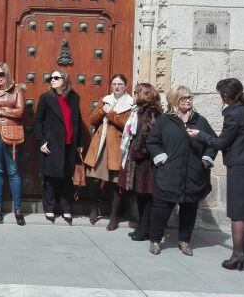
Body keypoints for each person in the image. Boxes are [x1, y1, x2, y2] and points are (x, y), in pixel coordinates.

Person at [188, 78, 244, 270]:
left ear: (226, 95)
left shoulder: (233, 114)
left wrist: (199, 134)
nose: (220, 97)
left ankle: (237, 254)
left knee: (237, 212)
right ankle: (241, 251)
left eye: (221, 94)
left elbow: (221, 143)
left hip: (239, 166)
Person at [146, 85, 217, 256]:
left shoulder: (200, 120)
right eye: (183, 98)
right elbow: (152, 141)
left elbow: (213, 142)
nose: (187, 100)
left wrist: (206, 159)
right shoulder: (165, 120)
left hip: (193, 173)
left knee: (190, 208)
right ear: (174, 100)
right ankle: (155, 240)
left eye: (189, 97)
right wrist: (162, 159)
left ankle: (184, 240)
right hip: (169, 173)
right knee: (161, 208)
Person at [84, 74, 133, 230]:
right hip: (101, 144)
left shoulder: (130, 103)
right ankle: (94, 208)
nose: (117, 87)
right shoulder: (105, 100)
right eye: (114, 84)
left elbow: (127, 124)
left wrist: (110, 113)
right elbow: (92, 120)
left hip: (117, 147)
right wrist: (101, 111)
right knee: (94, 179)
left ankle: (113, 217)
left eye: (120, 84)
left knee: (115, 183)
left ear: (125, 86)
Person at [34, 69, 82, 225]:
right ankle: (49, 207)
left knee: (67, 178)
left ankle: (66, 208)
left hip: (69, 144)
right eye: (51, 78)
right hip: (51, 144)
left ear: (65, 80)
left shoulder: (74, 97)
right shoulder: (46, 98)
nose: (52, 80)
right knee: (50, 178)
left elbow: (78, 121)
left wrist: (79, 143)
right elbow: (38, 121)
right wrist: (41, 141)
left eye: (56, 77)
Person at [118, 83, 162, 241]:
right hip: (138, 159)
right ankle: (142, 227)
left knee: (146, 196)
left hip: (146, 161)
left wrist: (138, 152)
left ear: (145, 95)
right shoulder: (139, 111)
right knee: (141, 195)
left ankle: (145, 229)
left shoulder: (152, 112)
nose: (134, 95)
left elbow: (149, 136)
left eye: (137, 93)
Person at [0, 62, 26, 225]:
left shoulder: (17, 90)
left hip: (12, 132)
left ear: (7, 74)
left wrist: (0, 110)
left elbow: (20, 111)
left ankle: (18, 208)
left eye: (1, 74)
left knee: (13, 171)